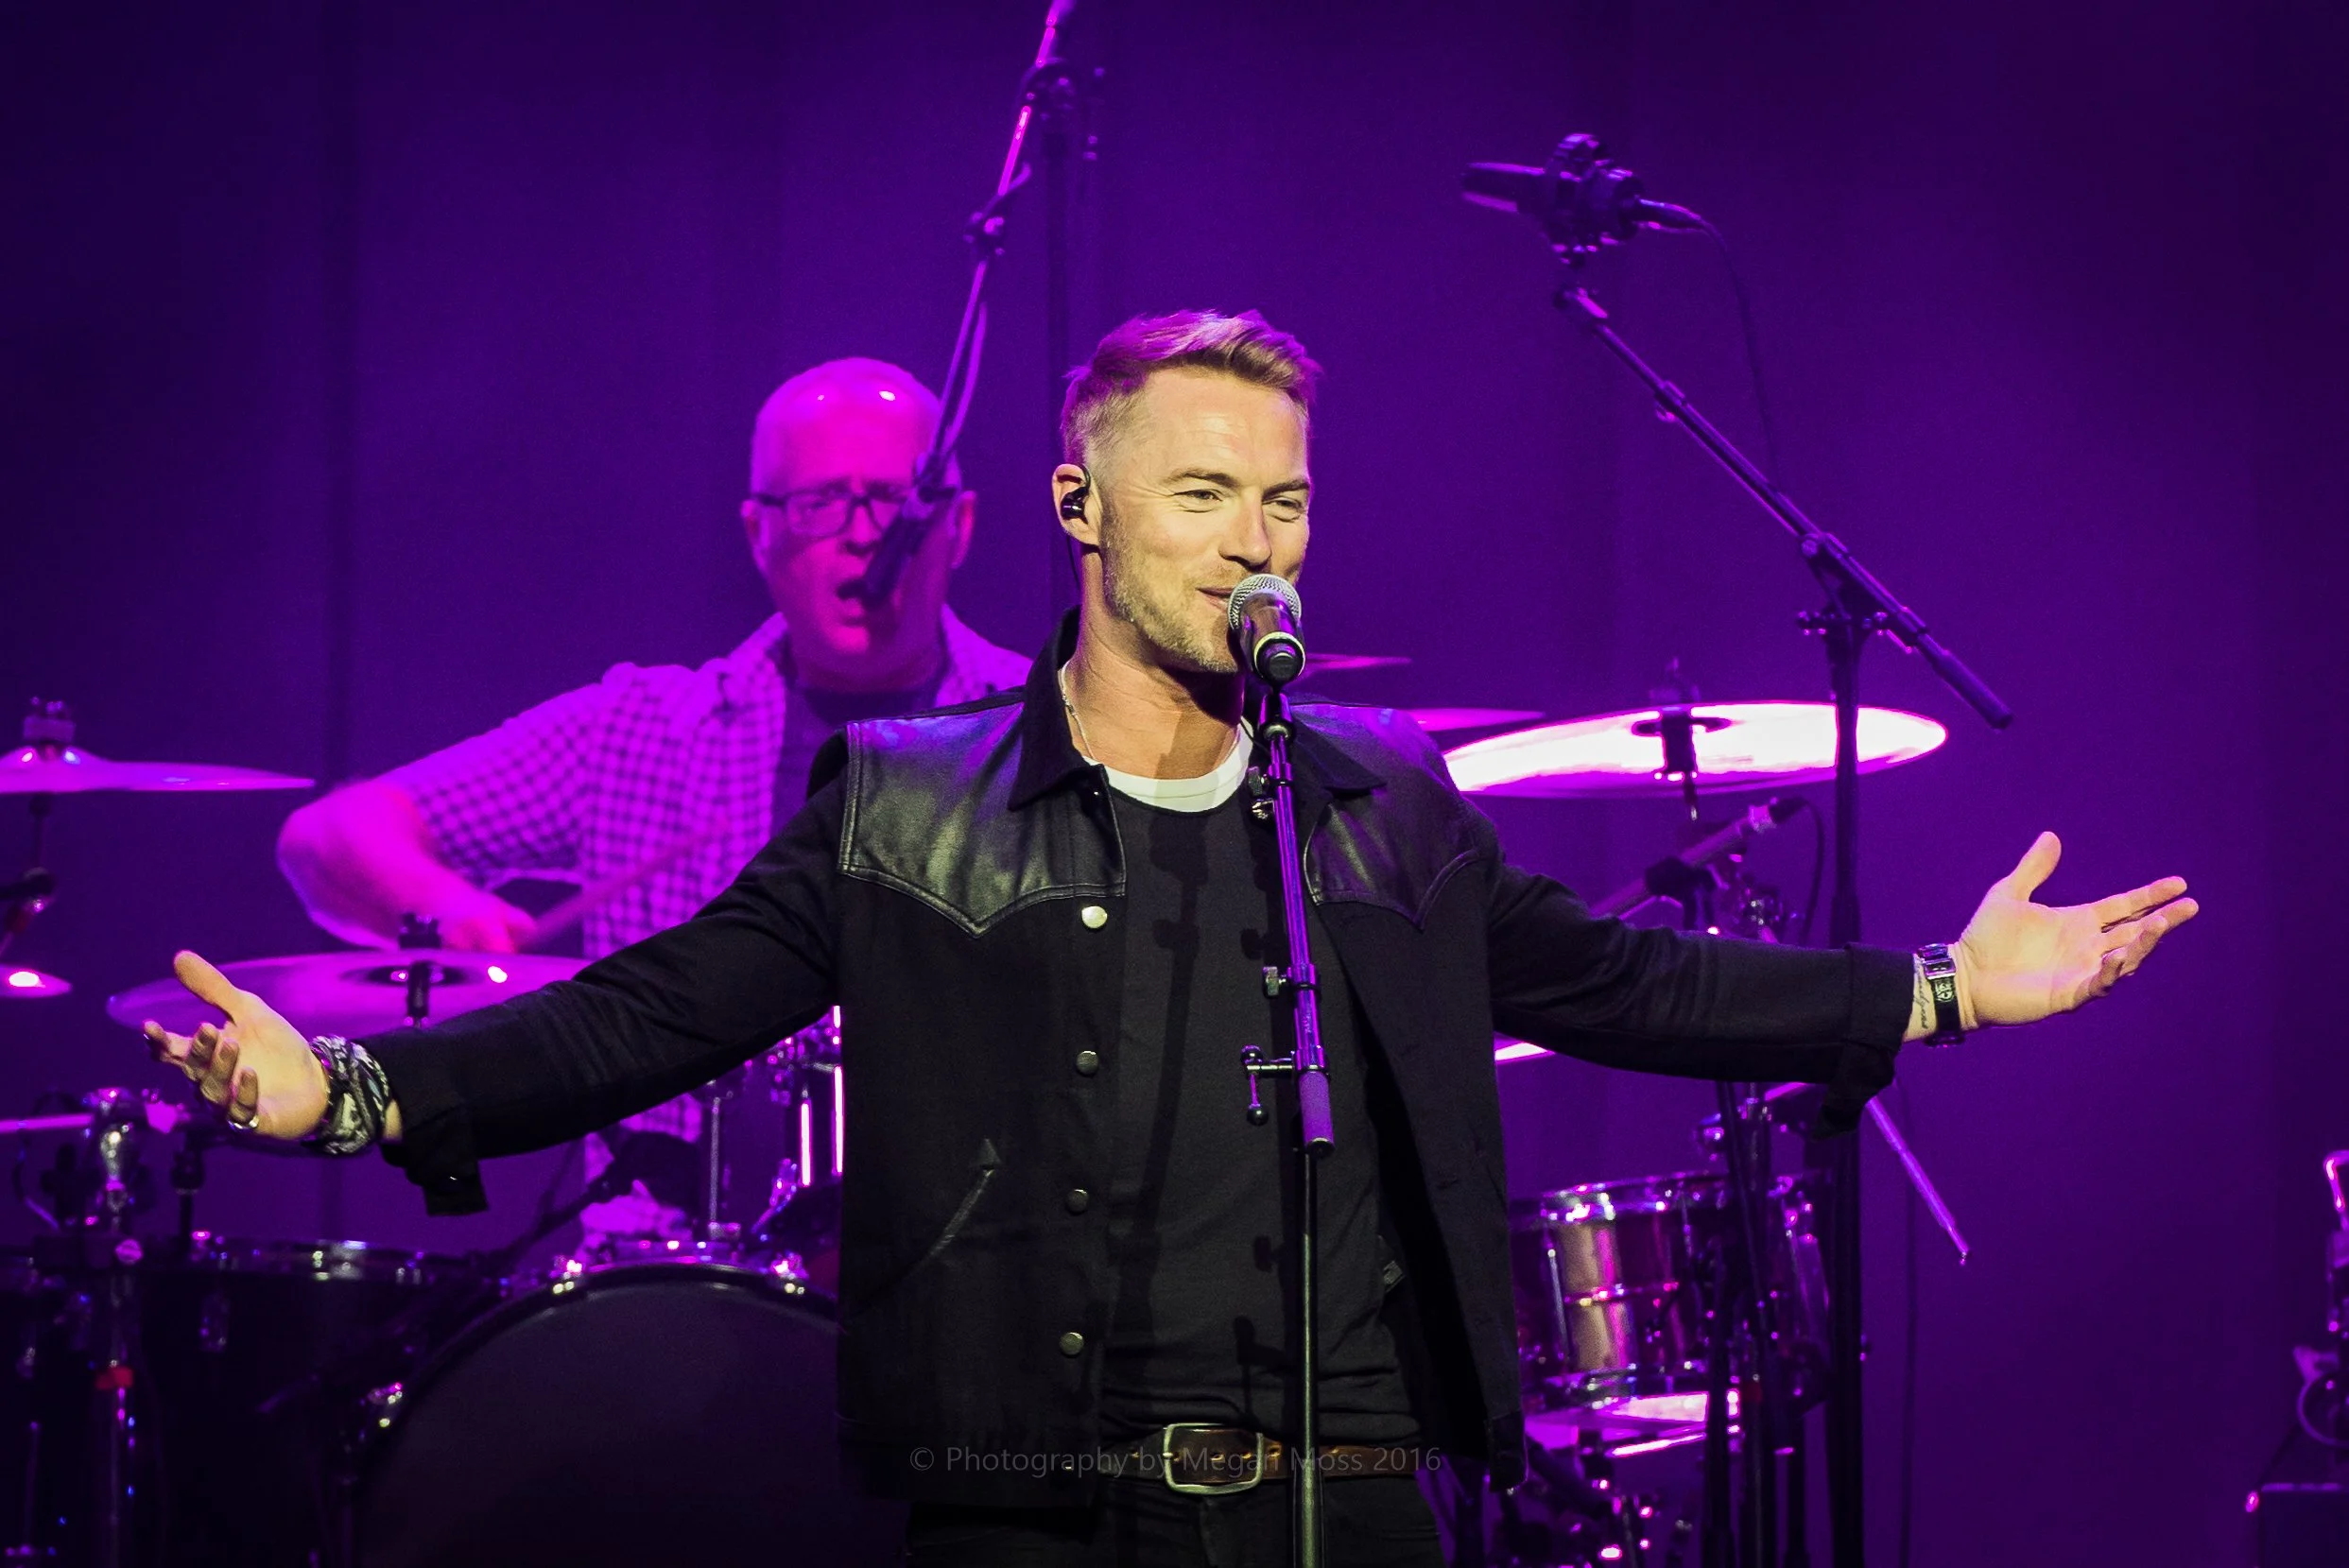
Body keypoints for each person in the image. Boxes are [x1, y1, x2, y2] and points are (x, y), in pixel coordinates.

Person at [147, 310, 2196, 1566]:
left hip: (1349, 1482)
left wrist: (1941, 990)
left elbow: (1617, 977)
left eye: (1283, 501)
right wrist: (355, 1090)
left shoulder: (1375, 796)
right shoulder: (912, 801)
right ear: (1082, 510)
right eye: (1205, 493)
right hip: (1031, 1491)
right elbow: (650, 1014)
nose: (1254, 540)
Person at [274, 356, 1029, 1237]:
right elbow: (331, 837)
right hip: (670, 1255)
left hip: (971, 1243)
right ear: (759, 532)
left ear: (957, 525)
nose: (864, 536)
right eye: (822, 503)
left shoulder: (1038, 729)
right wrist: (448, 909)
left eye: (893, 501)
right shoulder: (639, 730)